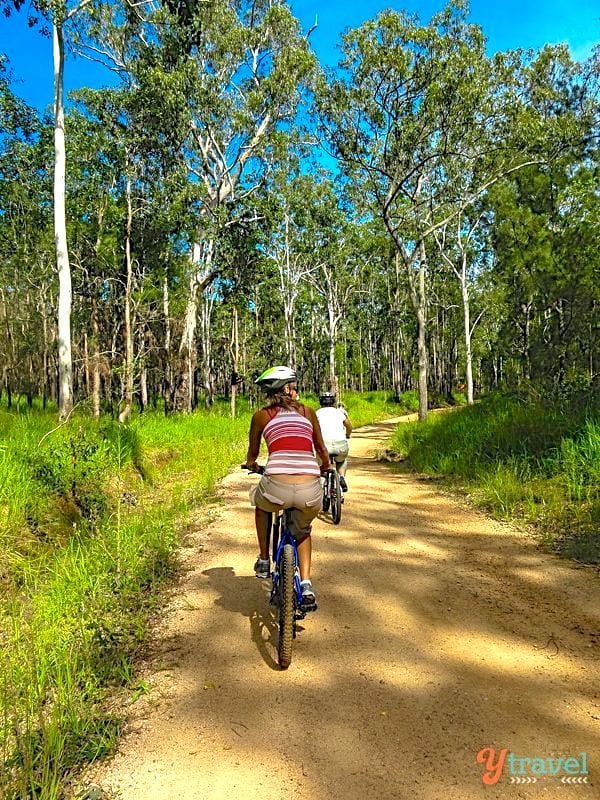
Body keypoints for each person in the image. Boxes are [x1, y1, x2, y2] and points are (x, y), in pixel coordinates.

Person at [244, 366, 331, 608]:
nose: (297, 390)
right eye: (294, 386)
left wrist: (252, 464)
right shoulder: (309, 413)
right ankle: (305, 583)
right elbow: (321, 450)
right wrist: (325, 466)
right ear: (287, 389)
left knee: (261, 505)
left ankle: (263, 558)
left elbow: (252, 454)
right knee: (302, 531)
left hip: (276, 486)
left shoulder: (261, 416)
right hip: (309, 488)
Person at [316, 392, 352, 491]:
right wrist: (348, 435)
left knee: (320, 463)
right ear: (333, 401)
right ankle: (341, 477)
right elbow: (349, 426)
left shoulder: (317, 413)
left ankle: (322, 481)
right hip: (340, 444)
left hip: (323, 446)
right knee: (341, 461)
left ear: (321, 402)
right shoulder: (339, 413)